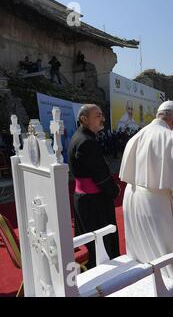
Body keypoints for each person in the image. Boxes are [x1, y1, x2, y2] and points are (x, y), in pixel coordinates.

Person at [119, 100, 173, 296]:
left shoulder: (135, 137)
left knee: (143, 253)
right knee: (170, 257)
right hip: (160, 207)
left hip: (133, 200)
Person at [68, 104, 121, 269]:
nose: (103, 118)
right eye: (98, 115)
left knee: (88, 239)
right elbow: (100, 175)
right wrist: (114, 190)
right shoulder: (87, 142)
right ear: (84, 119)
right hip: (94, 202)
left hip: (84, 199)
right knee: (100, 243)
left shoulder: (79, 137)